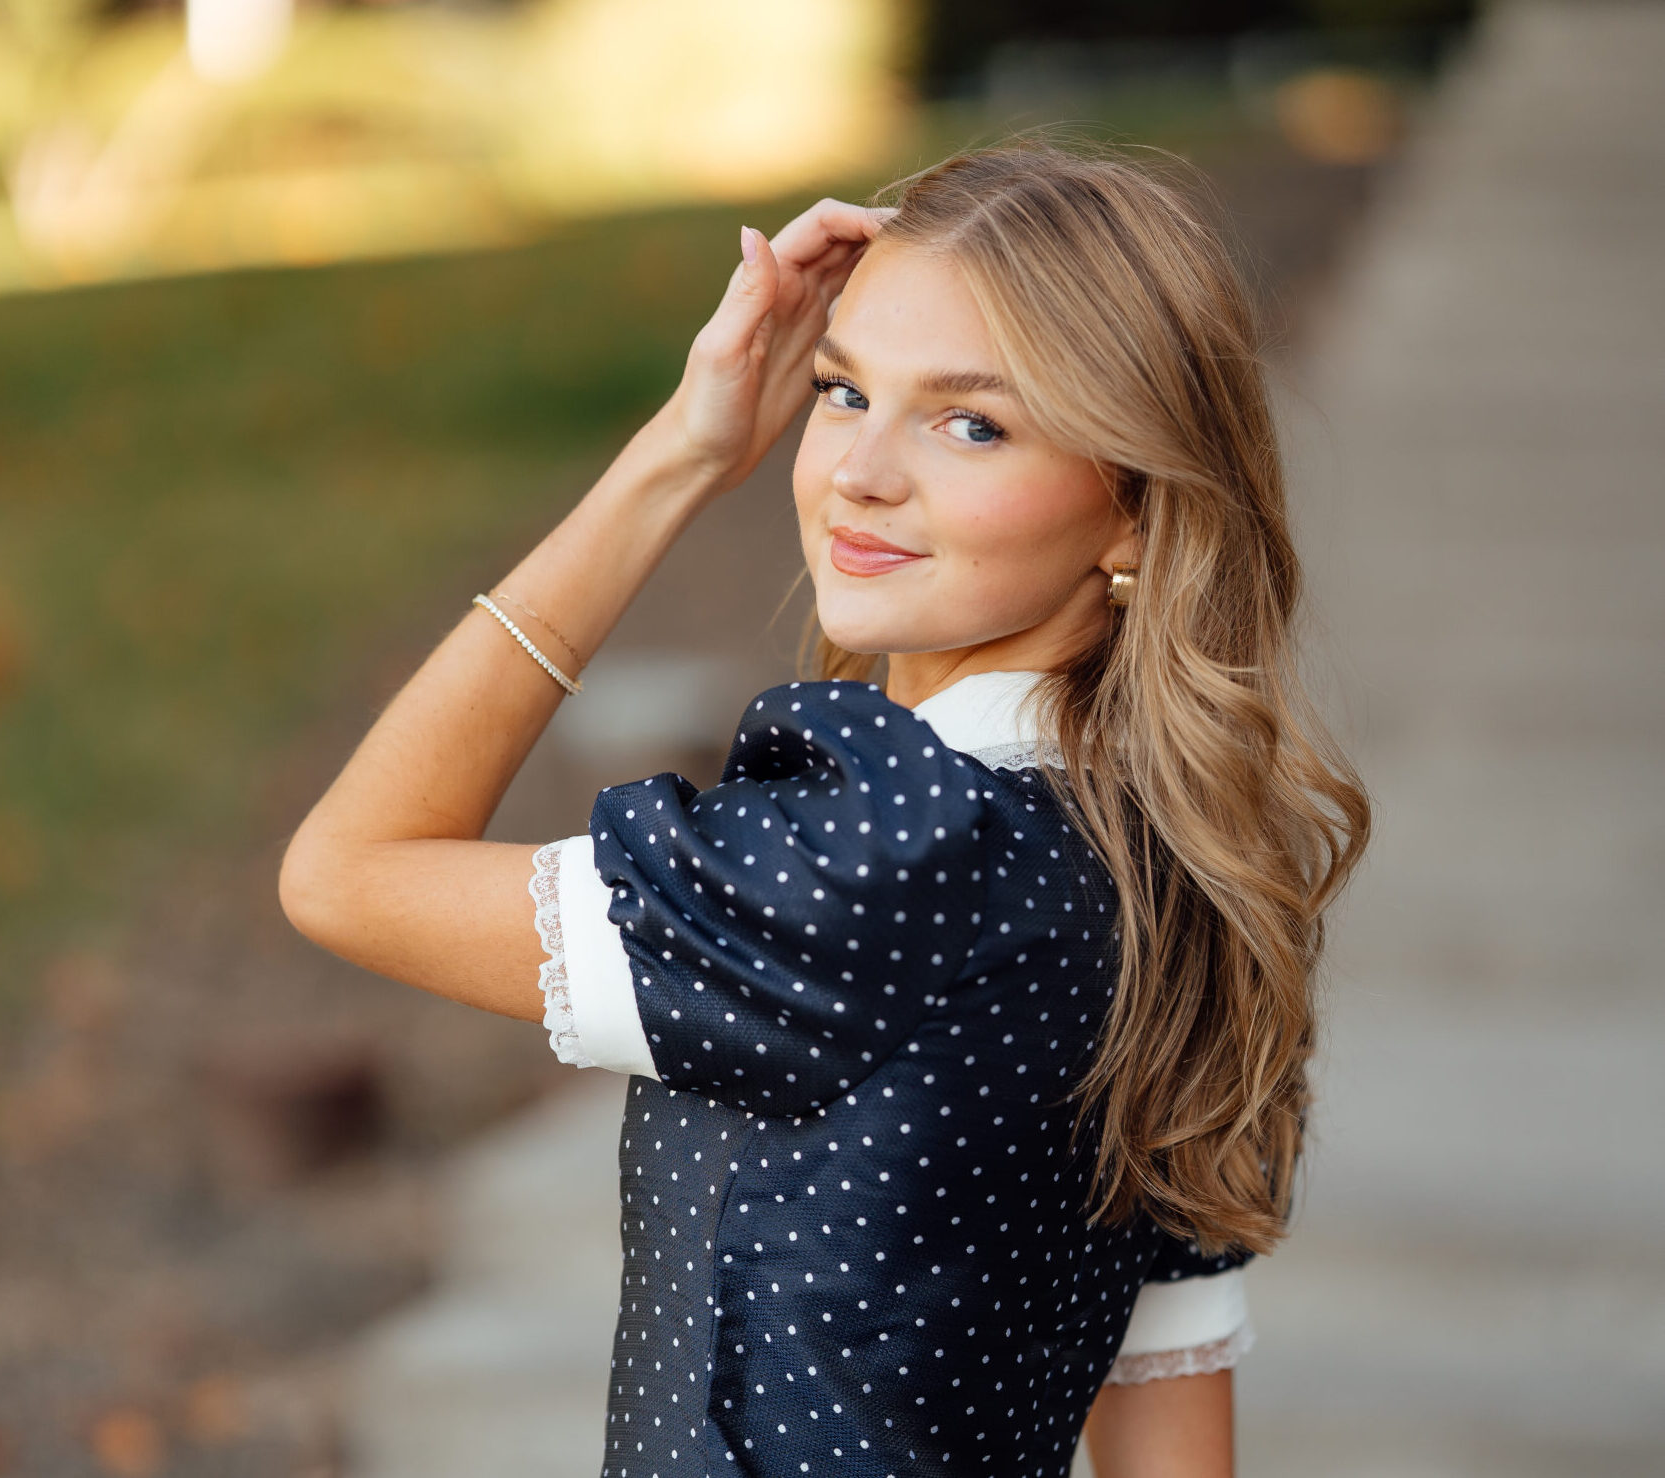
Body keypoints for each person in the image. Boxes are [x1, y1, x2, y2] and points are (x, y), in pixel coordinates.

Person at [279, 139, 1369, 1477]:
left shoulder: (881, 860)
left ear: (1133, 513)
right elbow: (1167, 1407)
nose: (860, 470)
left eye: (974, 422)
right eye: (844, 389)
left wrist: (675, 459)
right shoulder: (1161, 858)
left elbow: (344, 868)